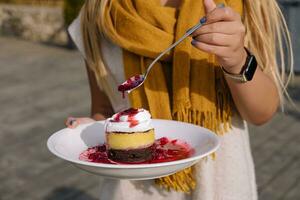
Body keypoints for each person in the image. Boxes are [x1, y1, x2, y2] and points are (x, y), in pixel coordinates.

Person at [65, 0, 293, 199]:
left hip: (222, 186)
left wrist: (237, 60)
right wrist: (90, 128)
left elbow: (261, 113)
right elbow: (105, 108)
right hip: (132, 190)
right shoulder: (101, 15)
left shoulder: (242, 7)